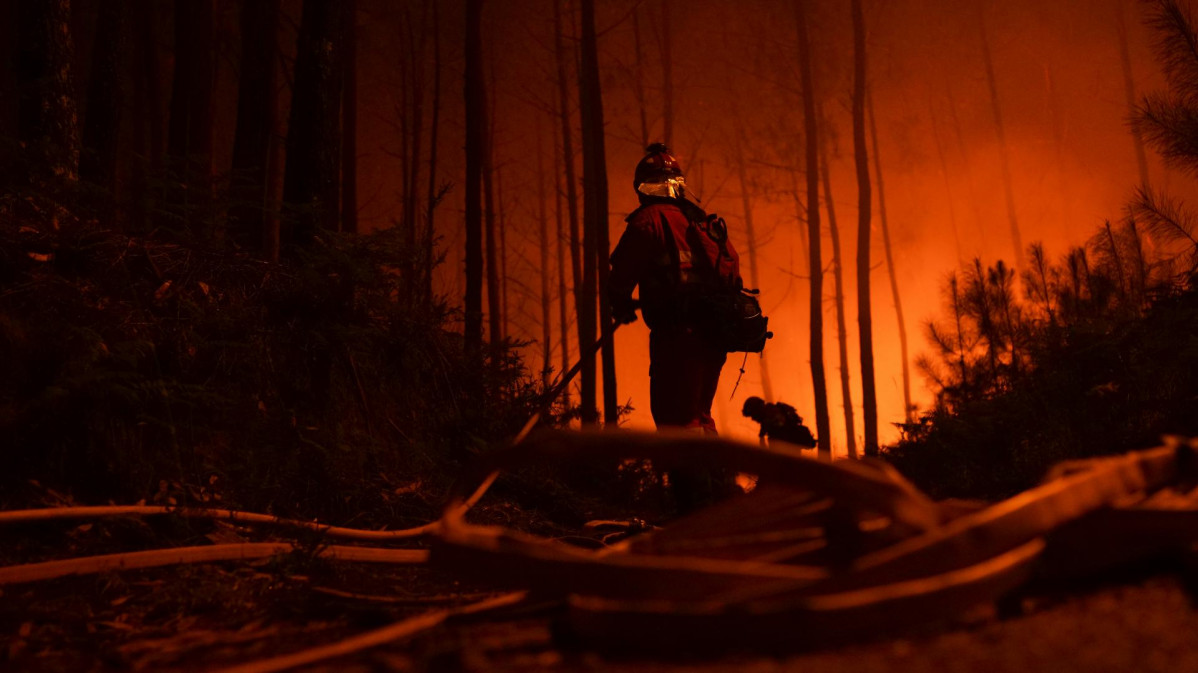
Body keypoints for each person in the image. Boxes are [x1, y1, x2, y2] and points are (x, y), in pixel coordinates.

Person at [609, 143, 743, 435]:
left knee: (677, 423)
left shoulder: (648, 221)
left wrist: (619, 303)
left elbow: (620, 276)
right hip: (713, 335)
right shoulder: (699, 220)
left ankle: (692, 480)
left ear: (643, 186)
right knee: (700, 416)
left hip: (677, 338)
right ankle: (717, 477)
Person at [741, 396, 817, 450]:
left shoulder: (772, 415)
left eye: (753, 415)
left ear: (757, 410)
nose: (753, 419)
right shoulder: (769, 417)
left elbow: (782, 427)